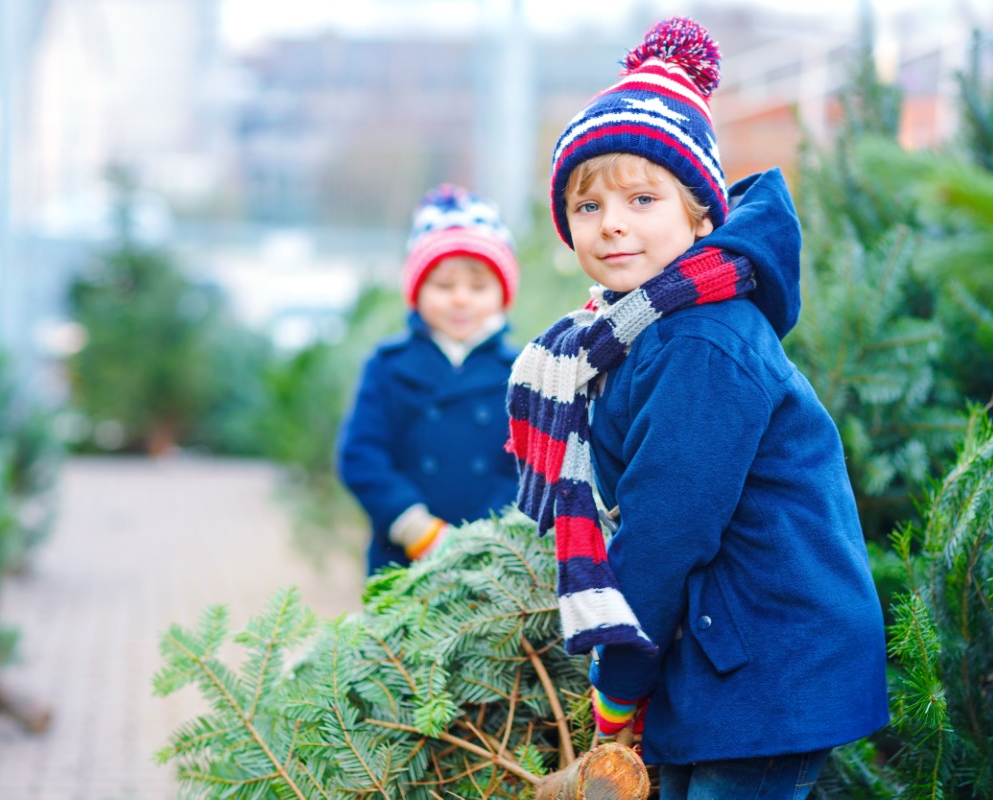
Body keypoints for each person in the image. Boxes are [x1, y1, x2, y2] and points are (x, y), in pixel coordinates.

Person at [506, 17, 889, 799]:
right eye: (588, 206)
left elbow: (668, 526)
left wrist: (619, 682)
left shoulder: (703, 342)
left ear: (701, 217)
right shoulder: (622, 336)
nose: (612, 222)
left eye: (642, 198)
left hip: (770, 658)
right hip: (722, 650)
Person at [339, 184, 521, 576]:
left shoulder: (522, 369)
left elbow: (531, 465)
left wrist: (493, 536)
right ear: (417, 291)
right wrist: (413, 526)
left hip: (496, 564)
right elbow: (360, 455)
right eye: (443, 286)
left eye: (478, 287)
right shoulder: (389, 365)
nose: (460, 299)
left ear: (502, 293)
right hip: (403, 556)